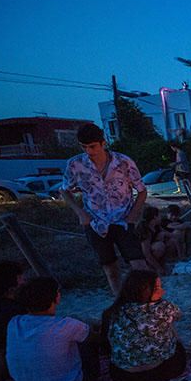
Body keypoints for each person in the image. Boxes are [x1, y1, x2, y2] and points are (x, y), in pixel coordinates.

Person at [61, 123, 150, 295]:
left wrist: (132, 216)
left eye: (92, 146)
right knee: (109, 267)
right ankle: (119, 300)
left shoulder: (123, 162)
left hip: (123, 219)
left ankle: (147, 300)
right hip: (95, 222)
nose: (89, 151)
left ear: (103, 143)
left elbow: (142, 191)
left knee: (139, 264)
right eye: (84, 147)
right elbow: (64, 189)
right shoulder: (75, 164)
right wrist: (80, 213)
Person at [6, 277, 99, 381]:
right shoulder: (66, 325)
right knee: (86, 339)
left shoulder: (14, 323)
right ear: (56, 298)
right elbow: (95, 338)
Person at [101, 270, 185, 381]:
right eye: (156, 289)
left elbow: (107, 344)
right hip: (165, 371)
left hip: (125, 378)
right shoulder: (164, 307)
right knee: (172, 330)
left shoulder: (112, 312)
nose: (162, 291)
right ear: (142, 291)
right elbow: (178, 315)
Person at [137, 206, 179, 274]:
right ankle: (151, 267)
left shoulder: (156, 226)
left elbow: (172, 235)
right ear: (154, 217)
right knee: (159, 246)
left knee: (172, 242)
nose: (161, 217)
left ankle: (165, 263)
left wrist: (164, 233)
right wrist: (159, 268)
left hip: (152, 251)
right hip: (141, 256)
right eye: (159, 215)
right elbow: (146, 253)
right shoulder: (145, 229)